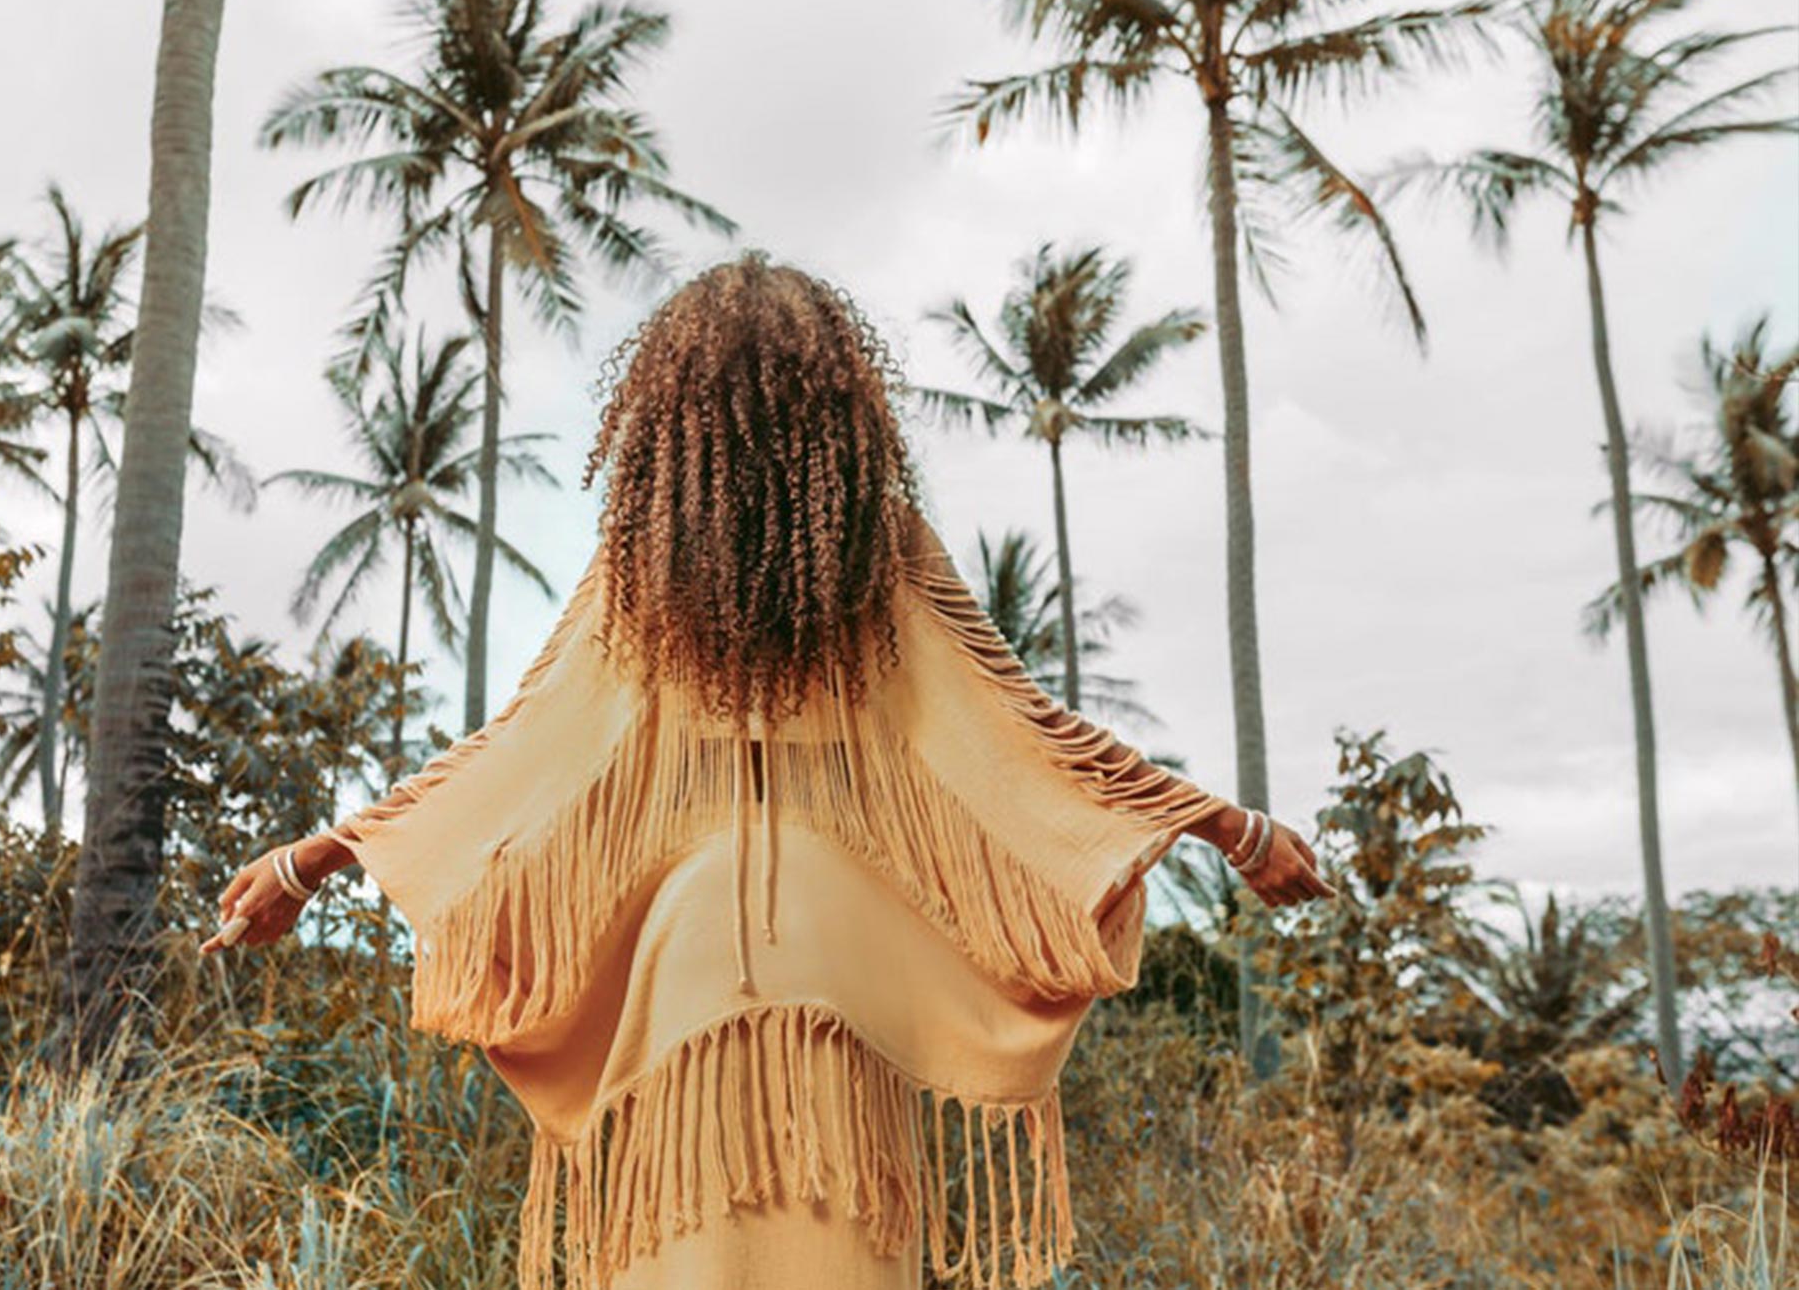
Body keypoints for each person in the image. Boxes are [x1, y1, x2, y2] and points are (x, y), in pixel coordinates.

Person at [204, 251, 1334, 1290]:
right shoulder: (885, 556)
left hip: (684, 966)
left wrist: (310, 861)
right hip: (848, 971)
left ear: (665, 424)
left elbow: (516, 763)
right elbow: (1024, 736)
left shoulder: (639, 584)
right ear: (841, 413)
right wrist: (1230, 828)